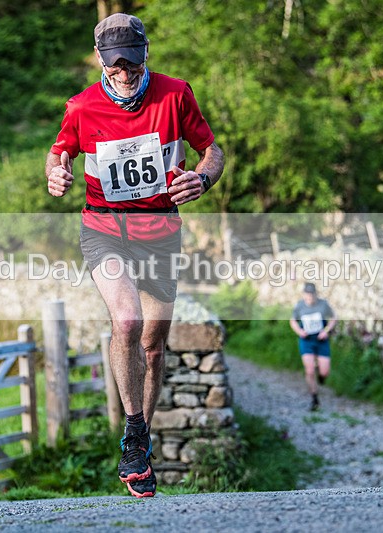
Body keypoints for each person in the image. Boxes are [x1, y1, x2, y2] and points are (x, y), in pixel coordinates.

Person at [45, 13, 224, 498]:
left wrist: (202, 178)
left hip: (161, 231)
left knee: (152, 342)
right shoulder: (81, 106)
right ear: (101, 60)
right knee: (125, 321)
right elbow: (59, 152)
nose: (123, 71)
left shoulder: (175, 93)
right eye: (114, 62)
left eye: (132, 60)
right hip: (104, 229)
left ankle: (139, 436)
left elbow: (213, 150)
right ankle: (133, 430)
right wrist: (55, 173)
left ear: (146, 53)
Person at [290, 282, 337, 411]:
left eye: (312, 294)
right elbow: (292, 320)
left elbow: (333, 318)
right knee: (309, 370)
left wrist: (326, 331)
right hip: (306, 340)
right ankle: (314, 398)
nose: (309, 297)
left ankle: (321, 376)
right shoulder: (299, 306)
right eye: (307, 294)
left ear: (315, 294)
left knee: (324, 371)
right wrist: (299, 332)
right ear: (304, 294)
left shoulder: (323, 305)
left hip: (321, 339)